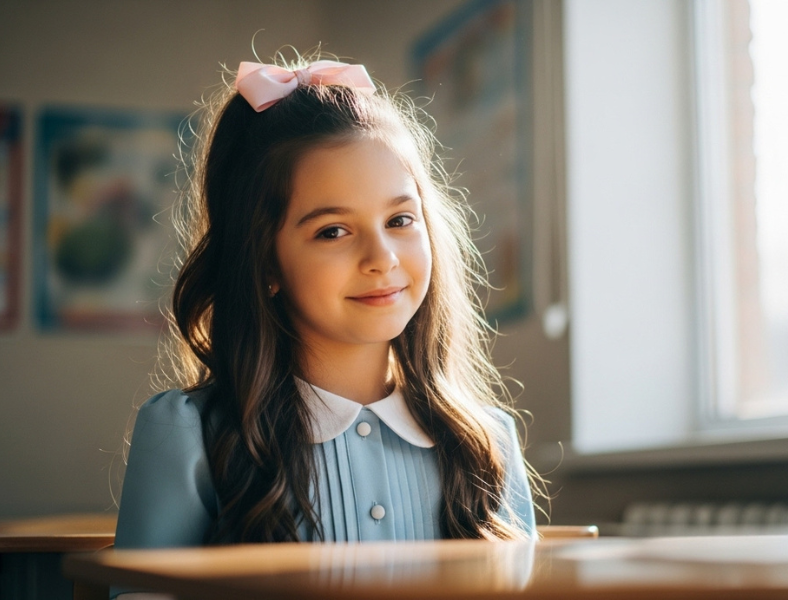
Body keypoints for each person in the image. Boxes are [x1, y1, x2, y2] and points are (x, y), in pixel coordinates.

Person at [113, 52, 541, 597]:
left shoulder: (486, 441)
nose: (382, 257)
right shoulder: (188, 434)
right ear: (265, 262)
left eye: (400, 220)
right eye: (333, 231)